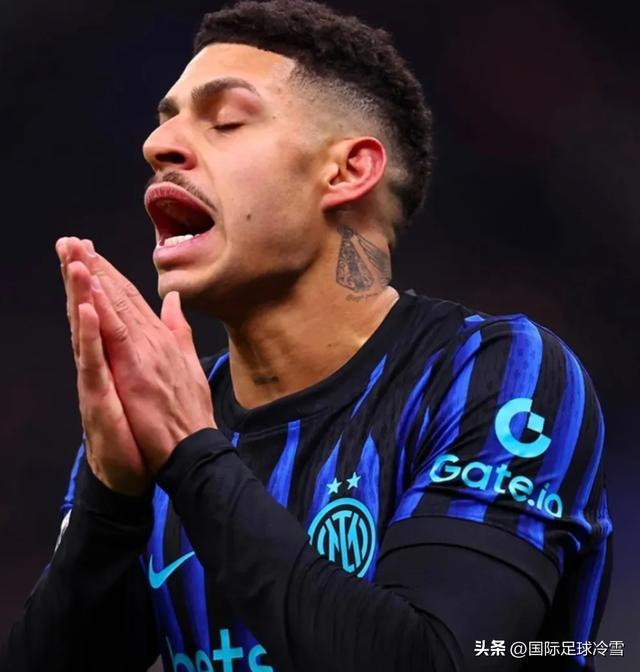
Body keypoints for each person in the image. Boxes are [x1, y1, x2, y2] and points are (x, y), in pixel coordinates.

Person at [1, 1, 612, 670]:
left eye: (226, 120)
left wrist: (193, 457)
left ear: (348, 172)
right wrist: (110, 500)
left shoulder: (495, 374)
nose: (158, 145)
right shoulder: (162, 413)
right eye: (166, 120)